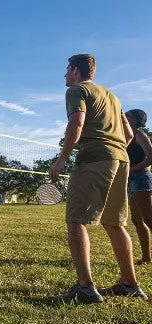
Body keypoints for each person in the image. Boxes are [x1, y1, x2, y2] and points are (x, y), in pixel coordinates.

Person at [49, 53, 147, 303]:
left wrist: (62, 159)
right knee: (115, 223)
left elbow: (77, 123)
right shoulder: (112, 96)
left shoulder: (76, 91)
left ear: (75, 69)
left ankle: (85, 288)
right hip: (121, 160)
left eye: (66, 69)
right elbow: (128, 133)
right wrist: (115, 150)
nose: (64, 74)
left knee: (76, 220)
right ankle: (129, 284)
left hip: (95, 159)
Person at [125, 109, 152, 264]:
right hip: (131, 179)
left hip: (141, 178)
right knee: (137, 220)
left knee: (149, 219)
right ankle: (147, 258)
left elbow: (150, 157)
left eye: (127, 116)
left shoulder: (139, 135)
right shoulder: (126, 136)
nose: (124, 117)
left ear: (135, 120)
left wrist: (132, 170)